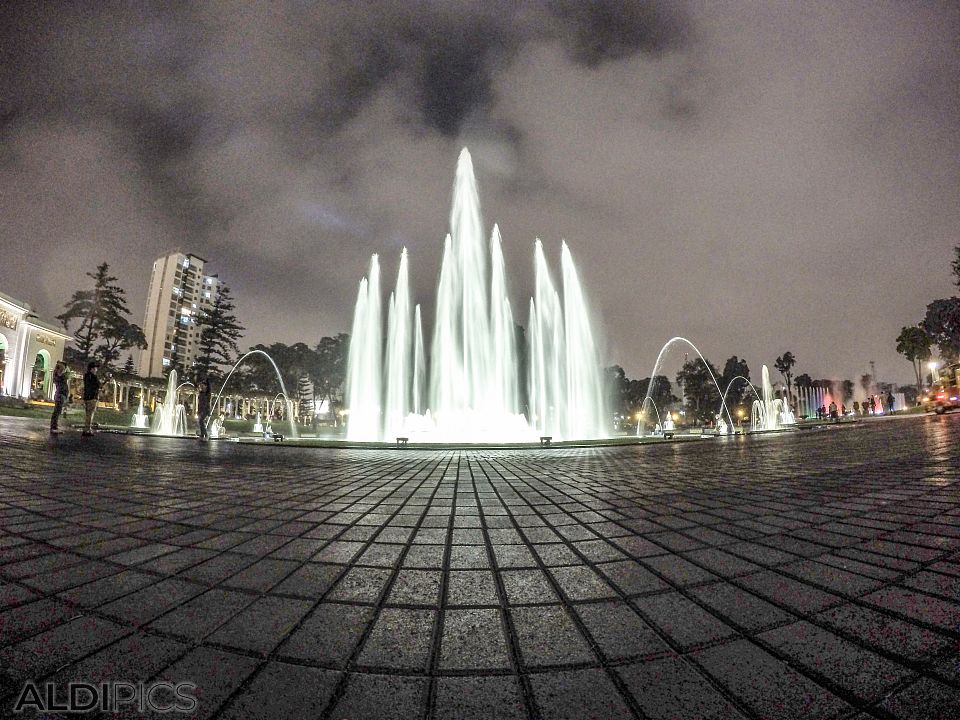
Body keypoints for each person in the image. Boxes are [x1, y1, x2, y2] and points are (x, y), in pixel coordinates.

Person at [81, 361, 101, 436]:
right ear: (92, 369)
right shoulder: (93, 377)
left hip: (87, 397)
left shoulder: (86, 376)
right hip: (92, 397)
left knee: (88, 414)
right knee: (90, 414)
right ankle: (87, 430)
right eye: (95, 368)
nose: (96, 370)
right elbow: (98, 386)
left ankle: (86, 428)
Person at [49, 361, 69, 433]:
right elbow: (67, 375)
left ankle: (54, 426)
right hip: (60, 395)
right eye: (63, 368)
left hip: (60, 395)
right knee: (57, 411)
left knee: (57, 411)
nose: (64, 369)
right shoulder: (60, 376)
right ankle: (54, 427)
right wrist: (64, 369)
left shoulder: (59, 376)